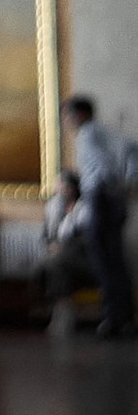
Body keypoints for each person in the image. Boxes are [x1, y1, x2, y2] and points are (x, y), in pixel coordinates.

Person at [65, 94, 134, 337]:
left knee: (104, 261)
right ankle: (122, 317)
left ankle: (114, 318)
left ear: (80, 114)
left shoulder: (88, 134)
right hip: (109, 199)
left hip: (101, 200)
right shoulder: (103, 132)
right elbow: (130, 149)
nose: (67, 121)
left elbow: (102, 168)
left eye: (69, 115)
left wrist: (107, 188)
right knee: (114, 260)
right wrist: (127, 183)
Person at [40, 171, 94, 333]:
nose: (59, 189)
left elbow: (87, 239)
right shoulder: (54, 207)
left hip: (83, 257)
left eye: (63, 185)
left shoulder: (84, 209)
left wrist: (63, 248)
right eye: (58, 186)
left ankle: (62, 312)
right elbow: (46, 235)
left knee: (56, 264)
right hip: (61, 257)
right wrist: (51, 245)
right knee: (51, 267)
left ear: (73, 188)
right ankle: (62, 308)